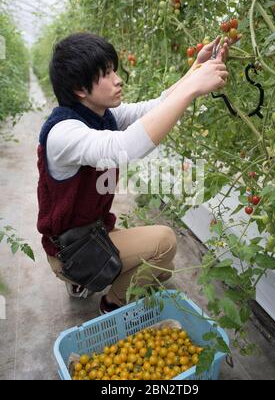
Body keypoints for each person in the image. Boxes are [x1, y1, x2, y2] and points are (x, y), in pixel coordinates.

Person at [36, 32, 232, 314]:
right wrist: (193, 89)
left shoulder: (102, 114)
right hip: (70, 250)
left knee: (161, 270)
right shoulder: (63, 133)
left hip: (91, 233)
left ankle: (86, 280)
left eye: (114, 69)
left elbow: (157, 106)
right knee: (165, 243)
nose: (118, 79)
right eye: (106, 73)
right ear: (80, 89)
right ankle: (110, 302)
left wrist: (196, 71)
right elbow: (125, 147)